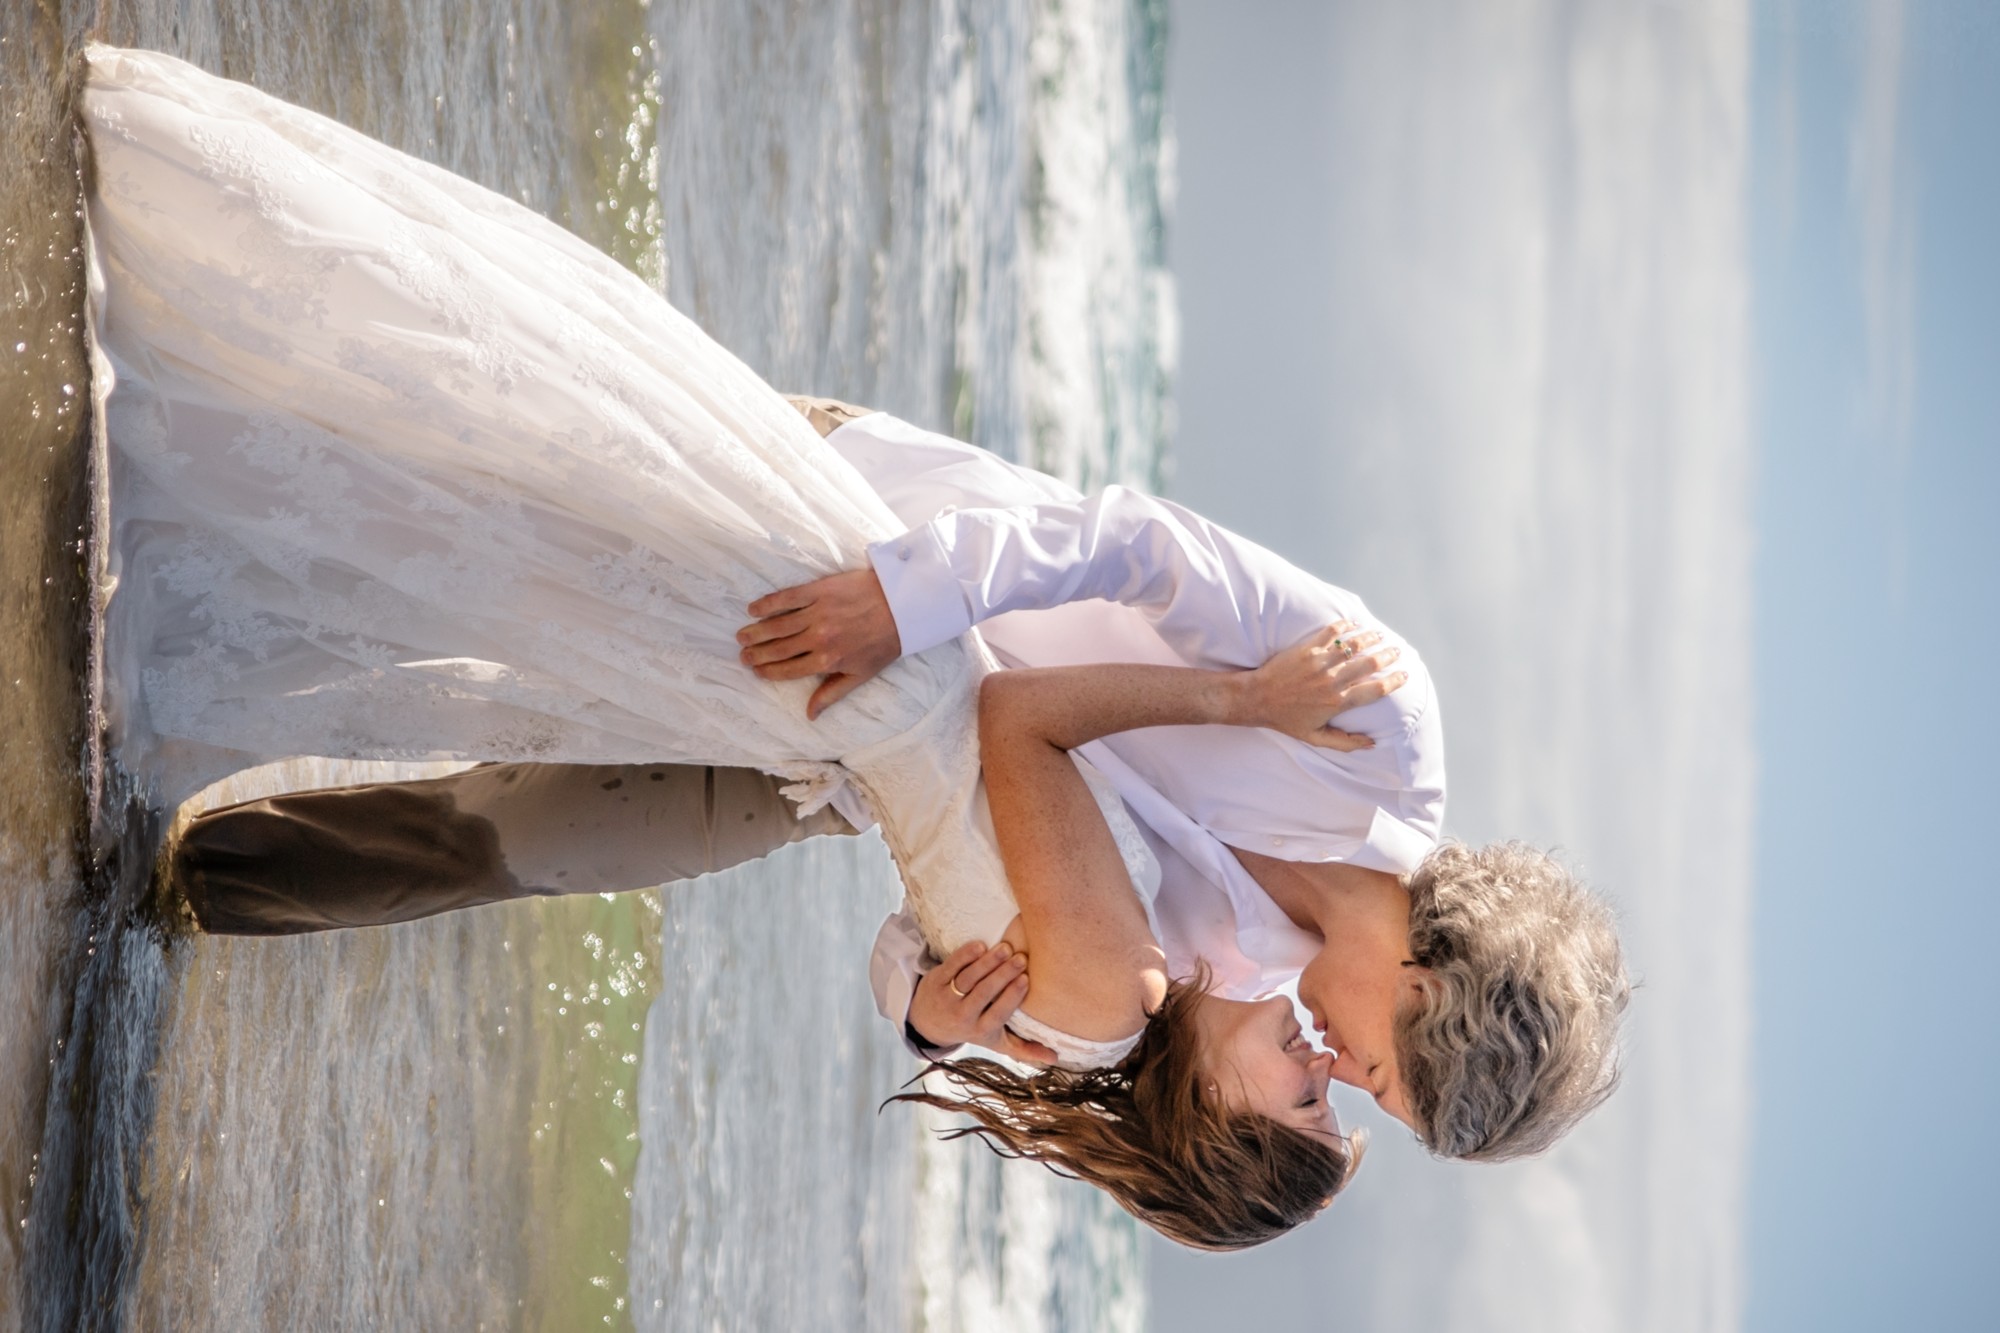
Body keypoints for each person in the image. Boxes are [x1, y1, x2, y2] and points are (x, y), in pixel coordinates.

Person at [81, 43, 1367, 1250]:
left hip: (853, 673)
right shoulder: (1141, 994)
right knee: (502, 488)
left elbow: (1016, 724)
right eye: (1339, 1082)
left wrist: (1245, 696)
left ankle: (168, 428)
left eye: (1307, 1102)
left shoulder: (1115, 996)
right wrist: (925, 1008)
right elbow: (964, 872)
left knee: (518, 448)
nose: (1320, 1062)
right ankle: (149, 732)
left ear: (1216, 1131)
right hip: (846, 694)